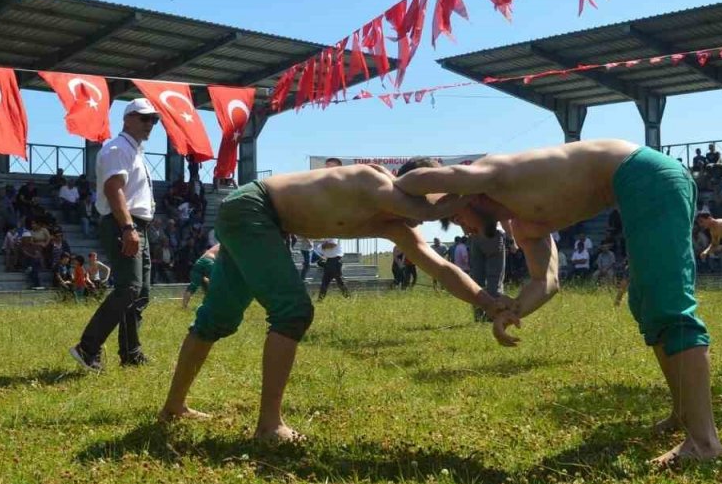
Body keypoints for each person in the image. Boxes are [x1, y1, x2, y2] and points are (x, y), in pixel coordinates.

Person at [395, 140, 720, 465]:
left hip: (643, 174)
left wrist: (385, 190)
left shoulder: (491, 172)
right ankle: (683, 413)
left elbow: (427, 179)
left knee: (668, 304)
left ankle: (704, 442)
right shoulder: (523, 223)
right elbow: (546, 281)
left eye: (453, 216)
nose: (463, 227)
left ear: (454, 195)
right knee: (646, 303)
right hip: (636, 187)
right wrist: (512, 310)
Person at [159, 162, 500, 443]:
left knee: (216, 318)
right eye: (433, 199)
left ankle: (173, 408)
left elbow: (442, 268)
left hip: (260, 219)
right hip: (253, 207)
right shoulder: (373, 180)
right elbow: (421, 208)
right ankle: (268, 426)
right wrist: (468, 193)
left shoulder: (395, 225)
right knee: (293, 311)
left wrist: (488, 302)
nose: (426, 219)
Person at [70, 100, 160, 371]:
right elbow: (113, 189)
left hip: (135, 224)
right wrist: (128, 228)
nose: (150, 124)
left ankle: (131, 352)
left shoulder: (132, 151)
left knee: (140, 292)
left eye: (154, 119)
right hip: (124, 223)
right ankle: (87, 347)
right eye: (144, 118)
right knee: (129, 288)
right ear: (127, 119)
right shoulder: (118, 149)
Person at [468, 229, 506, 321]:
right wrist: (511, 240)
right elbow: (504, 221)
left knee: (477, 279)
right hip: (493, 234)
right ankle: (495, 315)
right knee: (495, 279)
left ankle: (479, 315)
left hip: (475, 234)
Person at [182, 242, 220, 309]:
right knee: (213, 284)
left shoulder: (218, 245)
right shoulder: (225, 245)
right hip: (210, 262)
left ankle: (184, 306)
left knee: (194, 286)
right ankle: (214, 304)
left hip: (200, 261)